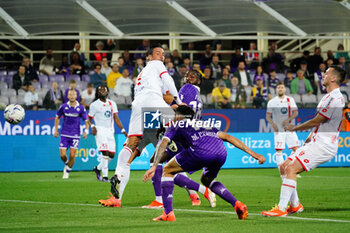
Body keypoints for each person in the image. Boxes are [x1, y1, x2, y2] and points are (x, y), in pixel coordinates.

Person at [143, 105, 265, 221]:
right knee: (206, 180)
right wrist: (254, 154)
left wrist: (154, 166)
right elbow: (228, 137)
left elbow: (163, 144)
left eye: (175, 114)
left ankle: (168, 214)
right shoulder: (206, 124)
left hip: (200, 151)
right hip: (221, 152)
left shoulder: (176, 124)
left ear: (179, 115)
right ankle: (237, 204)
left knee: (167, 169)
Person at [97, 44, 182, 207]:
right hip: (150, 103)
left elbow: (165, 90)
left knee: (129, 151)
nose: (162, 56)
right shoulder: (156, 66)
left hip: (140, 106)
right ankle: (182, 143)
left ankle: (117, 197)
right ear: (149, 56)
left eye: (163, 54)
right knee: (180, 122)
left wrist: (173, 102)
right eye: (159, 53)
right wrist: (178, 100)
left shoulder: (144, 74)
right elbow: (168, 81)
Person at [261, 65, 346, 217]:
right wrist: (311, 135)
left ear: (333, 78)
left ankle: (281, 208)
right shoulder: (329, 96)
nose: (323, 75)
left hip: (324, 145)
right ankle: (295, 205)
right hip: (317, 140)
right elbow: (323, 122)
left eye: (326, 73)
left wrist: (296, 128)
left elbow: (317, 120)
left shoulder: (335, 97)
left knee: (292, 168)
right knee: (284, 166)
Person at [139, 70, 215, 209]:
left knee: (158, 162)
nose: (188, 77)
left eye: (193, 76)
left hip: (181, 132)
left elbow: (181, 109)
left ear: (199, 81)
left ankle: (160, 200)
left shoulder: (187, 88)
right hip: (189, 134)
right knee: (170, 167)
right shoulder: (198, 95)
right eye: (187, 75)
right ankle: (198, 192)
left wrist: (166, 123)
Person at [88, 85, 128, 182]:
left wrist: (123, 130)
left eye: (104, 90)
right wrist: (93, 127)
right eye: (100, 90)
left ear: (107, 92)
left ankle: (98, 168)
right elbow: (89, 118)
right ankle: (105, 177)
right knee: (105, 152)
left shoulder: (112, 103)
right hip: (100, 130)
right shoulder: (94, 105)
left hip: (110, 131)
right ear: (97, 93)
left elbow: (116, 118)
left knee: (112, 155)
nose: (102, 91)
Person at [53, 89, 89, 179]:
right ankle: (67, 163)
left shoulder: (81, 108)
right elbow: (57, 117)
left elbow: (86, 120)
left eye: (73, 94)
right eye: (70, 94)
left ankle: (67, 171)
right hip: (64, 134)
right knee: (62, 155)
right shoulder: (63, 106)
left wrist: (86, 131)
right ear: (68, 96)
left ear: (76, 96)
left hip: (75, 135)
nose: (72, 96)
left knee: (72, 155)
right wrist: (56, 130)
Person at [266, 82, 299, 172]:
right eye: (278, 87)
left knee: (296, 149)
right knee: (279, 150)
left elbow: (295, 113)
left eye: (282, 87)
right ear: (276, 90)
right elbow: (268, 116)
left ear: (285, 89)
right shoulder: (272, 102)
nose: (280, 89)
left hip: (289, 128)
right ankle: (282, 171)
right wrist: (273, 125)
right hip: (279, 130)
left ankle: (290, 168)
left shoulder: (290, 100)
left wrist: (288, 119)